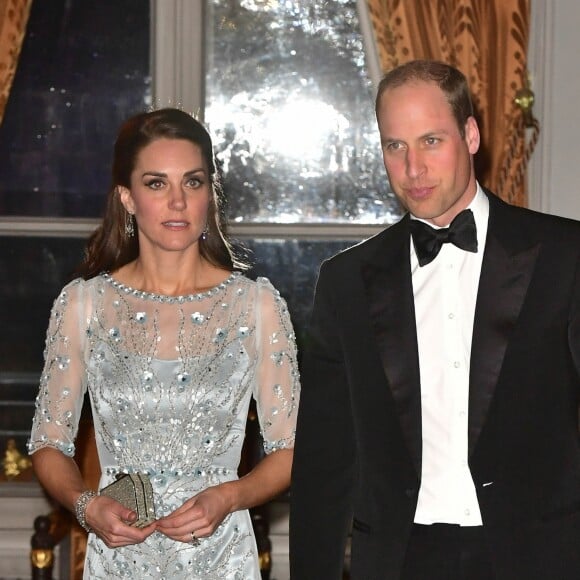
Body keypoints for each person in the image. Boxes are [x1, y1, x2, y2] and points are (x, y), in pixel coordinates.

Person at [289, 59, 580, 580]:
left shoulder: (565, 256)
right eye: (394, 146)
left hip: (540, 556)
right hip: (400, 560)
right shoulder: (346, 281)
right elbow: (325, 459)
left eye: (430, 141)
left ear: (470, 135)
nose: (412, 168)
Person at [28, 108, 300, 579]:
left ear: (209, 196)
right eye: (157, 184)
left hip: (222, 558)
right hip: (118, 561)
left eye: (192, 183)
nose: (177, 201)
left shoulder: (256, 306)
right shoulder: (83, 305)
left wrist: (228, 496)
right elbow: (49, 442)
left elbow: (291, 449)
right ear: (127, 198)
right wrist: (86, 506)